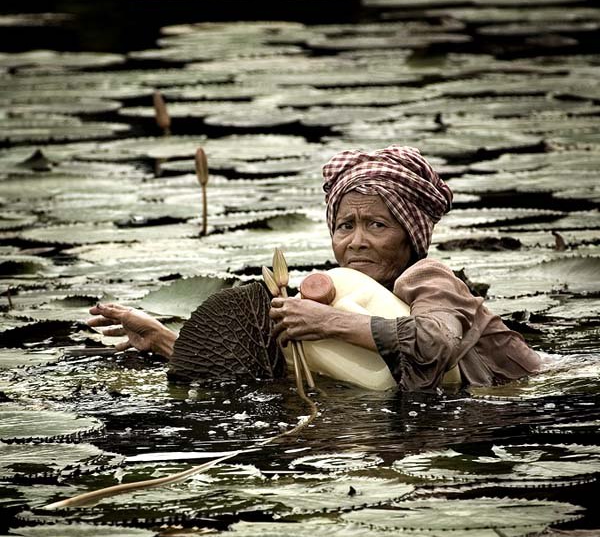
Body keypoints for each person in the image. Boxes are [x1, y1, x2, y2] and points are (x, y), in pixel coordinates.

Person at [88, 145, 541, 390]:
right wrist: (165, 340)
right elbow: (277, 365)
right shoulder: (341, 289)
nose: (356, 240)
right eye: (345, 225)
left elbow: (435, 344)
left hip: (520, 396)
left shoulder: (428, 277)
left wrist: (327, 320)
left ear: (411, 235)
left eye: (377, 224)